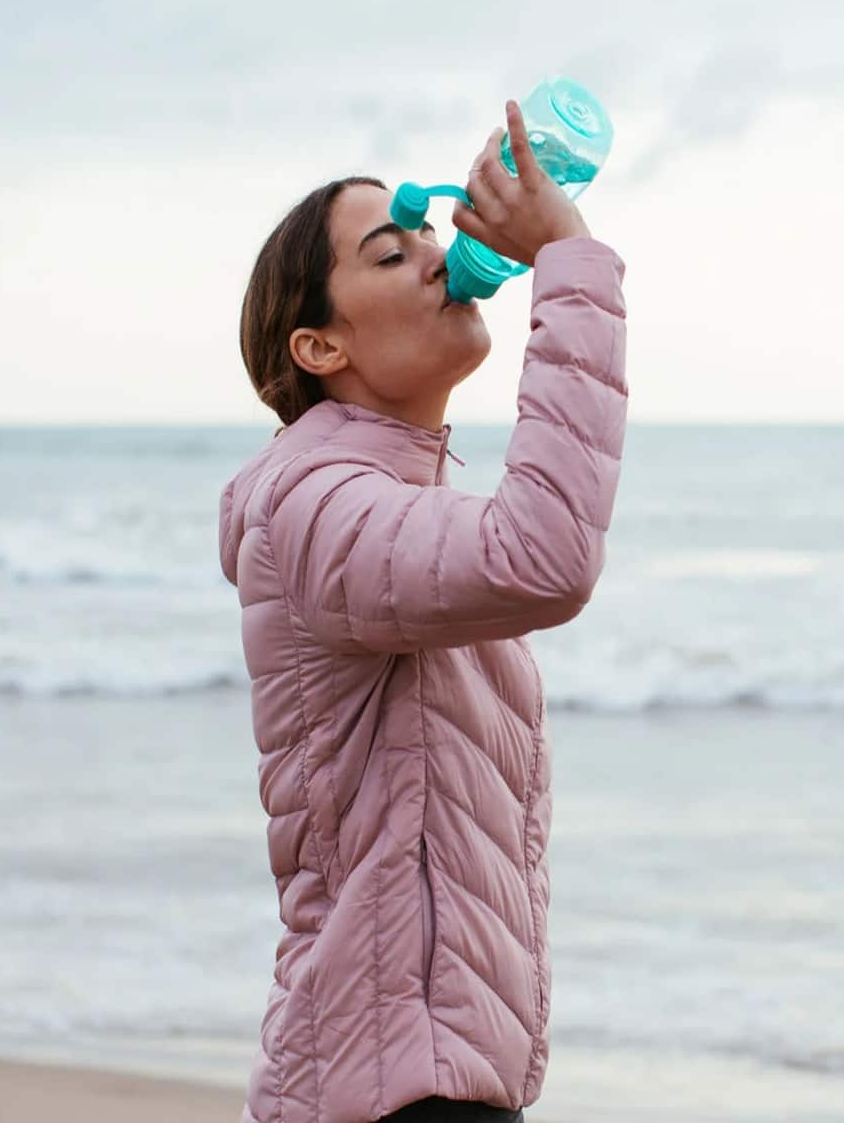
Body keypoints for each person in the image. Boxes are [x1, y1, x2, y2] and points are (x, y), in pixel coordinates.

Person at [217, 101, 628, 1123]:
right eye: (390, 254)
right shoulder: (315, 505)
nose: (438, 260)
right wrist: (571, 266)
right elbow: (545, 560)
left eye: (431, 237)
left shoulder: (398, 505)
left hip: (430, 1079)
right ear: (318, 346)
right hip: (396, 1091)